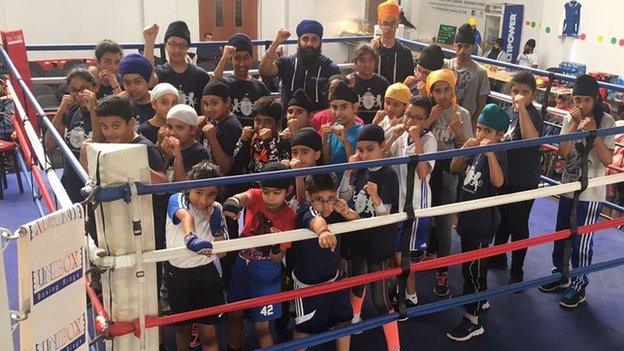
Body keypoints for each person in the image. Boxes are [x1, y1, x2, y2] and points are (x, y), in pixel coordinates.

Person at [539, 74, 615, 308]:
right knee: (561, 234)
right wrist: (572, 125)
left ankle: (579, 285)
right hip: (569, 186)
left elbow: (607, 159)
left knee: (581, 241)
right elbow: (562, 152)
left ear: (595, 100)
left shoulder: (607, 122)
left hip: (591, 192)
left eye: (585, 101)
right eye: (576, 100)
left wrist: (594, 134)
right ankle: (559, 275)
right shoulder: (569, 118)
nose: (581, 106)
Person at [447, 103, 509, 341]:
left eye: (487, 132)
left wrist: (490, 154)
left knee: (472, 268)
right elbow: (453, 168)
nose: (481, 135)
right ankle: (479, 299)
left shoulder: (500, 151)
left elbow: (498, 182)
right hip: (468, 218)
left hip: (483, 221)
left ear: (499, 136)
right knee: (473, 266)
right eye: (480, 129)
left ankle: (472, 320)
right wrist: (465, 146)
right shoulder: (474, 147)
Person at [339, 124, 400, 351]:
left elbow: (386, 214)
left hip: (379, 241)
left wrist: (375, 198)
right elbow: (344, 196)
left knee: (380, 299)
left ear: (382, 147)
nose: (364, 154)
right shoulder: (359, 170)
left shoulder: (389, 174)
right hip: (358, 236)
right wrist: (346, 173)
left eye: (369, 149)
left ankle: (394, 346)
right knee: (357, 279)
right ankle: (355, 318)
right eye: (361, 149)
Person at [222, 162, 296, 350]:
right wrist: (234, 202)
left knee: (262, 327)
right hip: (242, 263)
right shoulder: (256, 196)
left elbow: (278, 258)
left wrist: (275, 245)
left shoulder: (288, 216)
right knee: (234, 314)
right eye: (266, 191)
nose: (270, 197)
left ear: (288, 191)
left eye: (276, 193)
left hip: (266, 271)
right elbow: (244, 197)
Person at [165, 160, 228, 351]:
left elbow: (223, 253)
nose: (203, 200)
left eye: (211, 195)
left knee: (208, 335)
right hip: (178, 274)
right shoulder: (177, 199)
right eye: (198, 192)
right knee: (182, 330)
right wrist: (191, 239)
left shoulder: (216, 209)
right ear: (190, 188)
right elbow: (186, 217)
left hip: (206, 273)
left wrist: (216, 227)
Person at [290, 173, 357, 350]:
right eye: (319, 199)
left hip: (334, 279)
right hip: (308, 286)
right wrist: (324, 232)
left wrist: (346, 211)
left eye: (331, 199)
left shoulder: (335, 209)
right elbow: (315, 220)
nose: (326, 205)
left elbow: (357, 220)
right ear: (308, 197)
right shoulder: (306, 211)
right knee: (304, 330)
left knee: (343, 321)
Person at [423, 68, 473, 297]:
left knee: (444, 223)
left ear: (454, 90)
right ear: (431, 92)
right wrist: (430, 119)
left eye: (447, 90)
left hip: (449, 171)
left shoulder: (462, 114)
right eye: (437, 90)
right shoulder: (427, 112)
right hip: (426, 170)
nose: (442, 95)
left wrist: (459, 132)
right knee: (424, 214)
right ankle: (427, 251)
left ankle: (442, 270)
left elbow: (468, 149)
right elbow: (413, 135)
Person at [384, 96, 437, 309]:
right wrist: (393, 135)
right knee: (396, 256)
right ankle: (401, 291)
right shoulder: (400, 135)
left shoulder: (429, 139)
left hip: (416, 206)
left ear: (425, 121)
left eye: (418, 118)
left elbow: (423, 173)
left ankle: (411, 295)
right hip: (398, 203)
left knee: (407, 258)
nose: (412, 121)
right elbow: (383, 157)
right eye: (409, 115)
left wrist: (416, 139)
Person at [490, 72, 543, 283]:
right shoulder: (506, 113)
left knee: (518, 224)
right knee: (502, 219)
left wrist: (522, 109)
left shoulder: (534, 115)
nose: (519, 96)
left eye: (524, 92)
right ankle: (498, 256)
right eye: (515, 92)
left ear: (532, 94)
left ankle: (517, 269)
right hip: (506, 175)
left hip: (524, 178)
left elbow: (531, 140)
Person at [45, 68, 102, 202]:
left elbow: (99, 142)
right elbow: (49, 144)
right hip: (70, 179)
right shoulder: (71, 111)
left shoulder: (104, 111)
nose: (79, 94)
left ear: (95, 87)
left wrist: (93, 108)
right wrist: (61, 110)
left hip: (92, 181)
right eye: (74, 90)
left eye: (84, 88)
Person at [259, 20, 341, 113]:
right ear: (298, 41)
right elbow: (264, 70)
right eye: (305, 39)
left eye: (314, 39)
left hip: (319, 125)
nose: (309, 43)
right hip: (288, 124)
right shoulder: (287, 63)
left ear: (320, 42)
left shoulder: (331, 68)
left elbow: (337, 100)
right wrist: (276, 42)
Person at [143, 21, 210, 114]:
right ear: (166, 46)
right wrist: (149, 41)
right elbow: (149, 81)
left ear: (187, 47)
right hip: (167, 127)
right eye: (173, 44)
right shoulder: (161, 72)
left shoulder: (201, 75)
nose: (177, 50)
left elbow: (205, 111)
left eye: (182, 45)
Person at [213, 33, 270, 127]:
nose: (242, 64)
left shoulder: (260, 87)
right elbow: (212, 87)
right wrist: (224, 58)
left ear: (251, 58)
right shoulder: (224, 84)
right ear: (231, 60)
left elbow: (268, 115)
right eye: (237, 58)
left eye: (246, 58)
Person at [445, 23, 491, 128]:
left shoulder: (480, 72)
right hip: (444, 121)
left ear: (473, 47)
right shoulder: (446, 66)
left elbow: (481, 105)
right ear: (454, 46)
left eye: (466, 46)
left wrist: (473, 125)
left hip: (466, 123)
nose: (462, 50)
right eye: (459, 46)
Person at [232, 96, 290, 176]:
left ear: (277, 124)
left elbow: (277, 172)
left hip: (272, 187)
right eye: (257, 121)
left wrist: (269, 142)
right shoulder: (252, 139)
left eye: (268, 122)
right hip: (251, 185)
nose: (261, 126)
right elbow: (236, 164)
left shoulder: (284, 142)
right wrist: (243, 141)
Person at [200, 81, 243, 175]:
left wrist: (212, 139)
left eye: (214, 103)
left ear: (227, 102)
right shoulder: (214, 120)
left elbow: (226, 168)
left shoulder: (231, 126)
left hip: (228, 186)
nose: (209, 109)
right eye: (206, 104)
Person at [160, 104, 210, 182]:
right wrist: (166, 156)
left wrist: (178, 156)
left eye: (180, 128)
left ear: (192, 129)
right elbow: (159, 179)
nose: (172, 133)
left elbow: (183, 187)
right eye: (169, 127)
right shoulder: (168, 147)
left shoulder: (200, 153)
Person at [321, 82, 362, 171]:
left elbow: (356, 169)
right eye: (334, 108)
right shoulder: (333, 129)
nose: (338, 113)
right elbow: (328, 164)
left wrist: (345, 141)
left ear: (354, 107)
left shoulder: (362, 132)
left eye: (343, 107)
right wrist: (324, 140)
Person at [373, 0, 414, 84]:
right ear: (379, 25)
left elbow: (410, 81)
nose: (389, 27)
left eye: (392, 23)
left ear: (397, 25)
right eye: (385, 23)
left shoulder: (405, 53)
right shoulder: (372, 51)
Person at [349, 43, 389, 124]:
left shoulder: (383, 82)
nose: (367, 64)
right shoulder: (349, 81)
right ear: (355, 62)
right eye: (362, 60)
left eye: (371, 60)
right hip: (355, 126)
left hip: (378, 127)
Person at [119, 53, 155, 124]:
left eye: (137, 82)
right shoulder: (122, 105)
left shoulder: (160, 104)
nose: (132, 88)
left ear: (147, 81)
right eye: (127, 83)